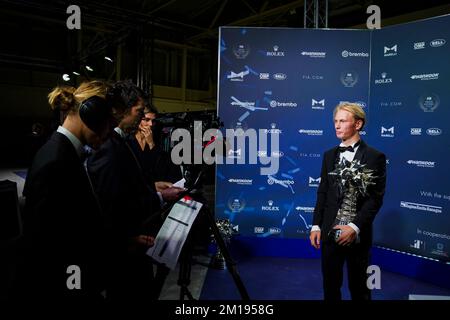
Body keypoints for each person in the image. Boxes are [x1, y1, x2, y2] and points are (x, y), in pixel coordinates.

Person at [12, 81, 113, 302]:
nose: (109, 131)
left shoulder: (63, 152)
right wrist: (78, 289)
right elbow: (46, 249)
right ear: (93, 114)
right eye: (108, 121)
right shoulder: (56, 161)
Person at [87, 80, 184, 302]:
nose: (142, 119)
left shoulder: (116, 142)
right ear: (120, 110)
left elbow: (124, 187)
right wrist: (158, 197)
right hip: (124, 251)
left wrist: (151, 187)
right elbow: (110, 205)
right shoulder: (109, 147)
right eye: (139, 112)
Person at [310, 102, 386, 300]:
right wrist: (316, 226)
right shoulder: (329, 156)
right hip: (328, 232)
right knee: (330, 288)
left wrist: (354, 227)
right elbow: (322, 192)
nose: (337, 125)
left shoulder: (374, 157)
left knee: (360, 289)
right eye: (335, 121)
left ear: (358, 124)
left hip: (357, 236)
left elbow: (374, 199)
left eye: (342, 121)